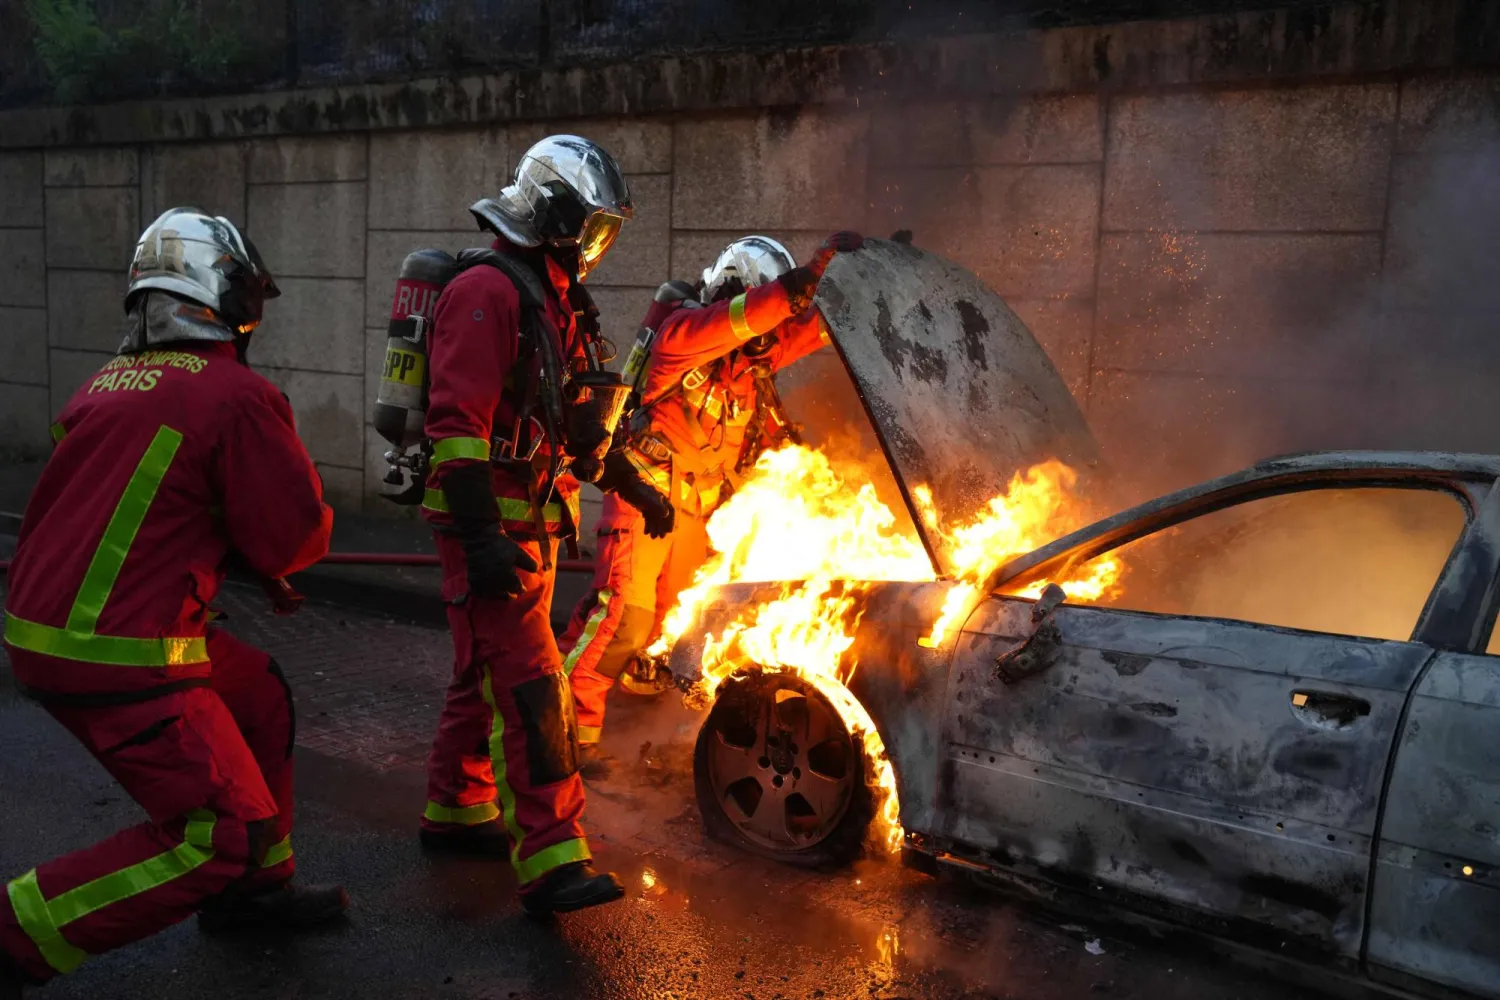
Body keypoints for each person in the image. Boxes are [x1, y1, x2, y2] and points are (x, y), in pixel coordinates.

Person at [0, 208, 344, 997]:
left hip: (59, 632)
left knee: (257, 694)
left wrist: (234, 557)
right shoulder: (237, 395)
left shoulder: (101, 386)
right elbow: (292, 537)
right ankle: (15, 936)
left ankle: (255, 891)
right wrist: (275, 558)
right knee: (214, 834)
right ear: (223, 299)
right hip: (124, 651)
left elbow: (148, 510)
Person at [416, 135, 636, 915]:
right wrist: (479, 539)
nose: (596, 246)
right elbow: (455, 426)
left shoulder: (548, 292)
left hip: (523, 529)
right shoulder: (491, 290)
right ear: (552, 212)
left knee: (479, 678)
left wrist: (633, 484)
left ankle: (455, 808)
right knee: (536, 690)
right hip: (491, 531)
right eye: (592, 226)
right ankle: (552, 858)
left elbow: (573, 420)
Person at [559, 232, 863, 769]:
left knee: (672, 622)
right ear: (733, 296)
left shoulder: (750, 361)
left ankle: (606, 701)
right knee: (624, 617)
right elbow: (739, 322)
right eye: (759, 318)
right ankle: (565, 738)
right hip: (643, 497)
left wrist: (859, 281)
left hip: (695, 512)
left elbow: (808, 329)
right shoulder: (682, 336)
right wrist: (797, 284)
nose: (768, 339)